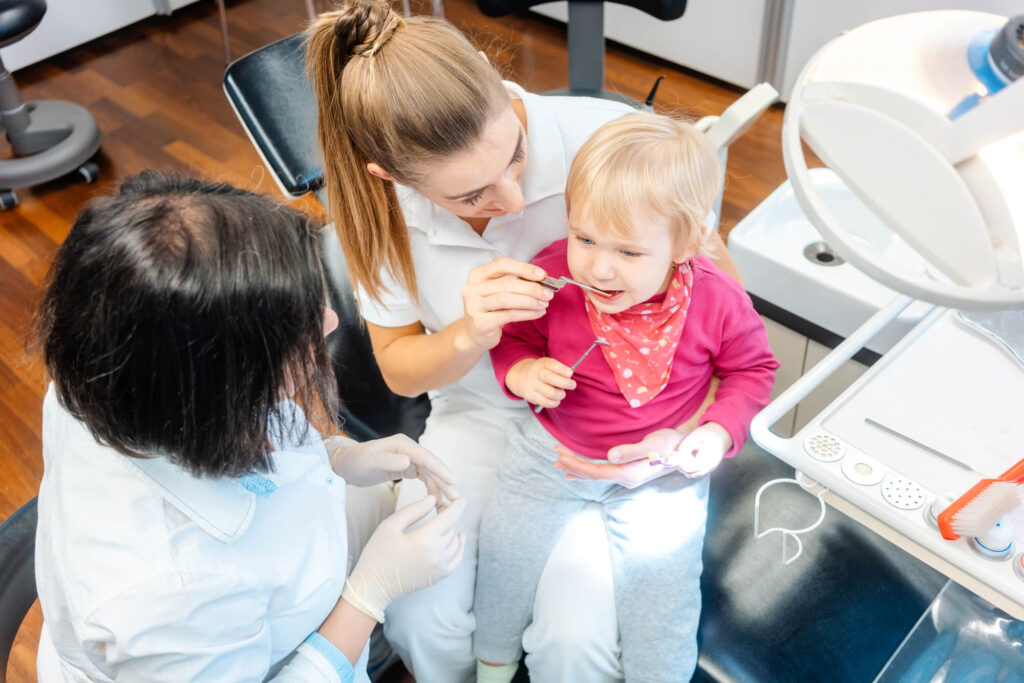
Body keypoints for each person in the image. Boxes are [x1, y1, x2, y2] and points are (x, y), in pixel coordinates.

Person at [306, 1, 745, 679]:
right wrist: (469, 334)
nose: (512, 201)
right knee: (424, 617)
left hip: (618, 425)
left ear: (488, 73)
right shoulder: (381, 218)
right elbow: (401, 373)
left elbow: (723, 318)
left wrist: (678, 435)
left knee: (577, 646)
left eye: (515, 154)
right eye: (473, 195)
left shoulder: (610, 139)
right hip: (479, 415)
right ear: (391, 179)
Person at [33, 172, 467, 682]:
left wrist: (337, 456)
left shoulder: (121, 368)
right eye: (297, 326)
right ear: (221, 377)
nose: (329, 322)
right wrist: (367, 597)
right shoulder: (167, 599)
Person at [473, 112, 779, 683]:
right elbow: (513, 340)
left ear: (685, 243)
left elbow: (753, 371)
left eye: (629, 253)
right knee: (503, 563)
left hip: (661, 472)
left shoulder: (717, 300)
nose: (597, 267)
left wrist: (713, 434)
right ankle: (490, 667)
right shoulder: (551, 277)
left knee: (661, 602)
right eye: (584, 238)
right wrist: (523, 372)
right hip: (548, 458)